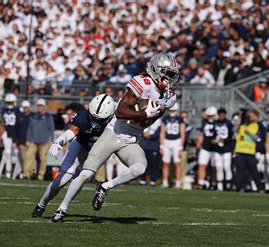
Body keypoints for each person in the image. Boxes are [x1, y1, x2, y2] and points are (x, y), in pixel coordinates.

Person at [50, 53, 178, 223]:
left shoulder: (170, 98)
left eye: (171, 75)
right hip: (114, 131)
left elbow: (149, 118)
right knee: (86, 173)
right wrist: (143, 113)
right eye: (166, 73)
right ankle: (62, 209)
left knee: (139, 168)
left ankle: (105, 186)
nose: (169, 79)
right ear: (155, 69)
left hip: (131, 138)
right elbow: (121, 112)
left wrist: (144, 118)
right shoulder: (142, 83)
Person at [31, 94, 115, 218]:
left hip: (97, 152)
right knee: (62, 180)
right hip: (80, 146)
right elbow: (72, 131)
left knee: (82, 178)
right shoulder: (83, 116)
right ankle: (41, 204)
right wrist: (59, 142)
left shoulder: (115, 122)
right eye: (93, 117)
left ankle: (62, 209)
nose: (95, 122)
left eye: (100, 119)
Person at [25, 98, 55, 181]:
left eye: (41, 106)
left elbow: (51, 129)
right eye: (38, 106)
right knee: (29, 157)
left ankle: (41, 175)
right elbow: (30, 128)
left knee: (43, 159)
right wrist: (28, 139)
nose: (39, 108)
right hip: (33, 141)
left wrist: (52, 140)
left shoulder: (48, 116)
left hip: (44, 142)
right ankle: (27, 173)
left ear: (44, 107)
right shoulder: (34, 116)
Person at [234, 109, 263, 193]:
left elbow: (256, 138)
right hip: (240, 151)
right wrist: (240, 119)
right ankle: (240, 187)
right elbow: (234, 131)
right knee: (240, 172)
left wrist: (248, 132)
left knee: (254, 171)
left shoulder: (255, 125)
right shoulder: (241, 126)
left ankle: (260, 188)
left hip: (250, 152)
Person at [160, 103, 185, 189]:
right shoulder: (165, 118)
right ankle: (165, 182)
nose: (172, 112)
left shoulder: (180, 119)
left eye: (173, 110)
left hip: (176, 142)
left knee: (177, 163)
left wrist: (181, 146)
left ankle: (178, 182)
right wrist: (161, 146)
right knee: (165, 163)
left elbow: (182, 133)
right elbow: (162, 132)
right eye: (171, 110)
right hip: (167, 141)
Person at [0, 93, 19, 179]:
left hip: (15, 133)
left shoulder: (17, 111)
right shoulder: (4, 110)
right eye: (8, 102)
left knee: (18, 154)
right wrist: (0, 136)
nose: (9, 104)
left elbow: (18, 124)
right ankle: (8, 172)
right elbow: (2, 123)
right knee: (8, 153)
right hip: (7, 132)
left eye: (11, 102)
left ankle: (18, 173)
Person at [213, 108, 234, 191]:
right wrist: (213, 140)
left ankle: (228, 185)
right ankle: (220, 186)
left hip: (227, 148)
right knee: (218, 167)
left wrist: (224, 140)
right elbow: (212, 134)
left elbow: (232, 137)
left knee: (226, 166)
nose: (221, 116)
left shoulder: (229, 123)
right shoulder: (215, 123)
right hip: (217, 149)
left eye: (223, 115)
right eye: (220, 114)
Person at [196, 106, 217, 189]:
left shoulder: (218, 123)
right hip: (205, 147)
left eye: (212, 116)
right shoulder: (204, 122)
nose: (210, 117)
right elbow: (201, 135)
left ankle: (214, 183)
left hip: (215, 148)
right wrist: (198, 146)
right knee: (202, 165)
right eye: (209, 116)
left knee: (214, 167)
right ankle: (201, 183)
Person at [140, 118, 162, 186]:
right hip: (144, 145)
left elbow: (158, 133)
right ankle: (143, 179)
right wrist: (143, 134)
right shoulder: (145, 119)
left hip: (154, 146)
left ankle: (153, 180)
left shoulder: (159, 121)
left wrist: (150, 136)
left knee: (153, 164)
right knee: (143, 163)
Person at [16, 100, 32, 173]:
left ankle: (32, 173)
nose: (25, 109)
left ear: (29, 108)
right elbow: (17, 128)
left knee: (31, 158)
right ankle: (25, 173)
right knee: (23, 158)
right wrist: (16, 139)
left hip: (31, 141)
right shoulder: (19, 116)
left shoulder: (32, 117)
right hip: (21, 141)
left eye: (26, 107)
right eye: (24, 107)